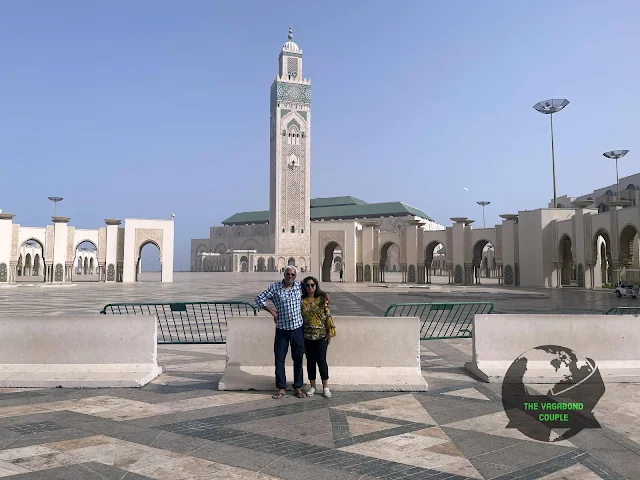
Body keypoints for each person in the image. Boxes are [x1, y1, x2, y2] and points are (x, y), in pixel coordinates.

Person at [256, 266, 307, 399]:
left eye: (293, 275)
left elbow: (314, 290)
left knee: (298, 358)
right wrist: (272, 311)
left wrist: (325, 295)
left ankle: (298, 387)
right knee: (279, 358)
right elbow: (259, 299)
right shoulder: (275, 287)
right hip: (282, 329)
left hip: (297, 328)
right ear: (283, 274)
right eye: (288, 274)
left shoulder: (299, 286)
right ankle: (281, 387)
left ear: (296, 276)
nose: (290, 277)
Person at [301, 276, 336, 398]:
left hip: (321, 335)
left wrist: (330, 331)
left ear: (316, 286)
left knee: (321, 360)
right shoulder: (302, 300)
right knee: (310, 361)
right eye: (307, 285)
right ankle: (313, 386)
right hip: (307, 335)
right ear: (304, 287)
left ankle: (325, 387)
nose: (310, 287)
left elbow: (328, 315)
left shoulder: (322, 299)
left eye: (312, 285)